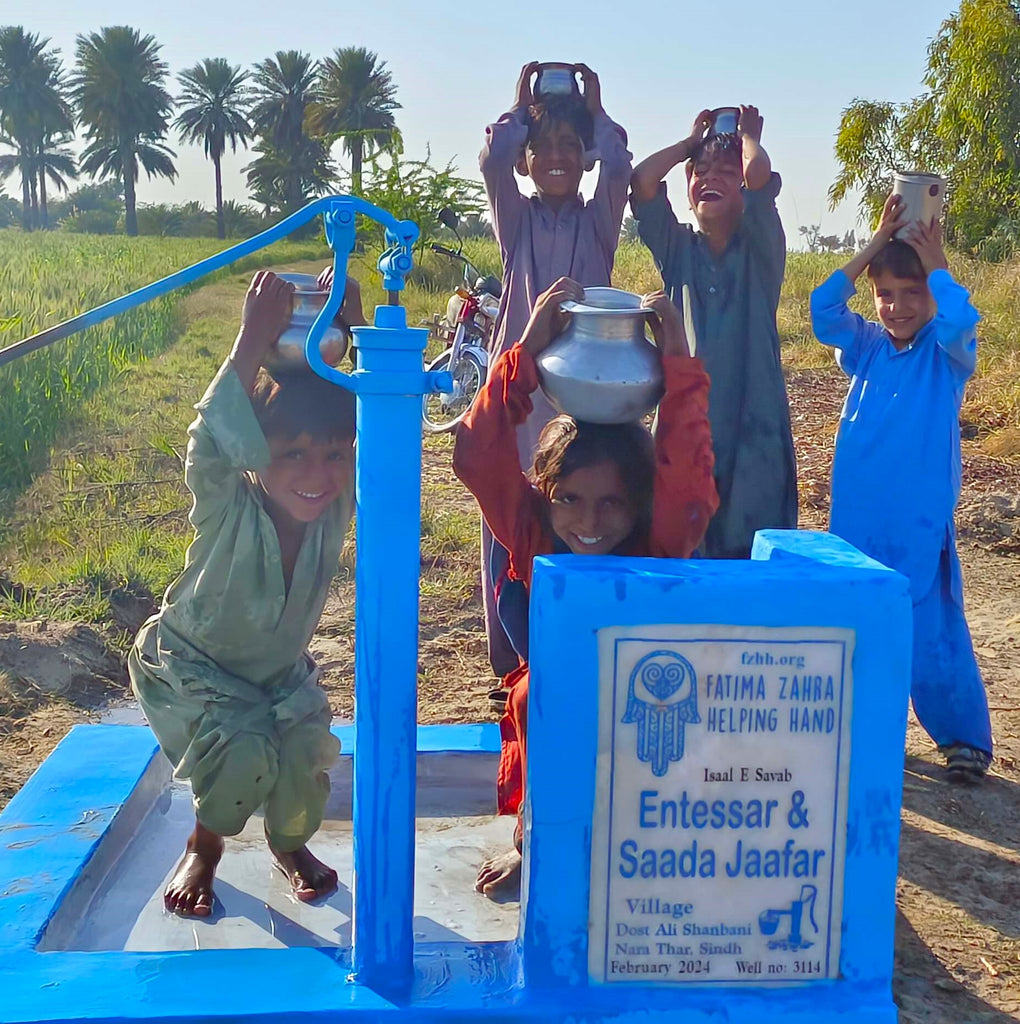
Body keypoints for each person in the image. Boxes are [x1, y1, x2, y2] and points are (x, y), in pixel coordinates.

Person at [453, 278, 718, 895]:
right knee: (533, 700)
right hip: (555, 731)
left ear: (641, 505)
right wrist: (522, 354)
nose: (589, 524)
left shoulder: (659, 546)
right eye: (569, 499)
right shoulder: (533, 533)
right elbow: (474, 450)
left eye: (611, 504)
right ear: (545, 496)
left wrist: (678, 365)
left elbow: (690, 477)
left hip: (643, 734)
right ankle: (534, 839)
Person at [129, 270, 361, 917]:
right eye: (292, 455)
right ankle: (204, 847)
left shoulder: (334, 503)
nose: (317, 475)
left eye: (334, 455)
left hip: (273, 674)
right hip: (190, 667)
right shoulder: (229, 504)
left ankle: (288, 844)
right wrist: (253, 339)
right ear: (255, 455)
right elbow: (208, 444)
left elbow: (372, 419)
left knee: (306, 753)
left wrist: (361, 331)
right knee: (244, 754)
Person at [810, 194, 993, 784]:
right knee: (858, 625)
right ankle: (861, 729)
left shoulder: (945, 356)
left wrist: (935, 261)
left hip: (917, 524)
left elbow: (963, 319)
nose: (897, 306)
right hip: (856, 523)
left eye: (913, 294)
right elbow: (821, 309)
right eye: (886, 294)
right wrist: (874, 243)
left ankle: (963, 739)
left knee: (930, 630)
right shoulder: (864, 347)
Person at [479, 61, 633, 678]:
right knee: (509, 511)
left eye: (570, 146)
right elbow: (494, 162)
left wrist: (596, 110)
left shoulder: (599, 223)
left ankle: (581, 641)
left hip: (586, 394)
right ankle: (511, 662)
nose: (556, 158)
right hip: (522, 392)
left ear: (586, 154)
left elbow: (619, 167)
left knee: (583, 507)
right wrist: (520, 107)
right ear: (527, 160)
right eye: (541, 148)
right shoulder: (514, 222)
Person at [630, 106, 796, 558]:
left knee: (753, 560)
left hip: (754, 435)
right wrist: (689, 145)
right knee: (688, 553)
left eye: (725, 172)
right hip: (689, 429)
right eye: (699, 172)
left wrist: (748, 139)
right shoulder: (678, 249)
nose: (709, 179)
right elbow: (643, 181)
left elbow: (760, 175)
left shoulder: (761, 250)